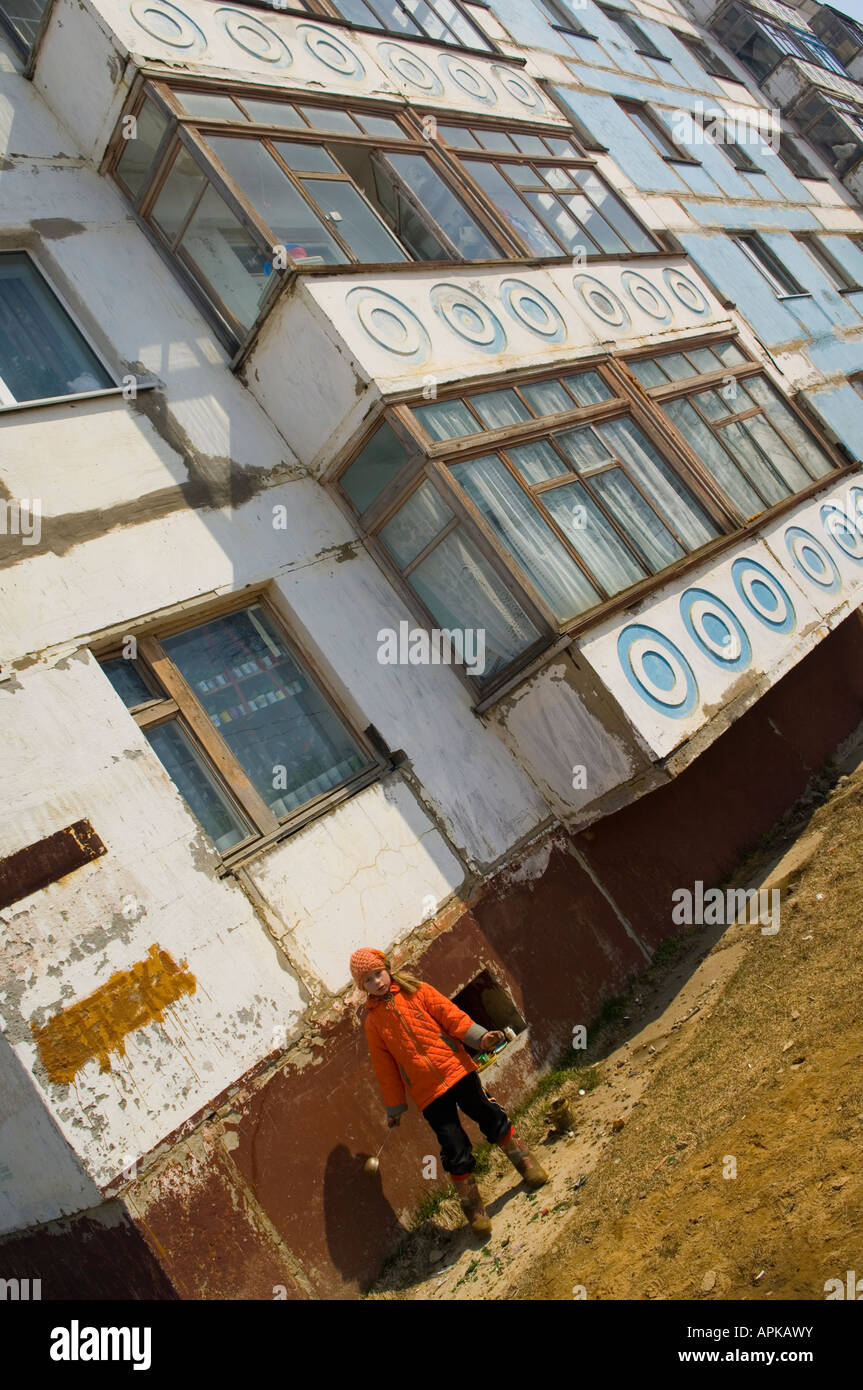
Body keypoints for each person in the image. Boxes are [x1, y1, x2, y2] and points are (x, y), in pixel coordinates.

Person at [350, 947, 547, 1235]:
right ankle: (474, 1211)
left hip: (458, 1071)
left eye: (378, 973)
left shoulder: (418, 991)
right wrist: (395, 1107)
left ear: (387, 968)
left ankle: (527, 1165)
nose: (376, 982)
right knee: (454, 1146)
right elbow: (385, 1068)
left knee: (490, 1115)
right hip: (428, 1094)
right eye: (367, 980)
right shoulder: (374, 1023)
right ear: (362, 987)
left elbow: (452, 1017)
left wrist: (481, 1038)